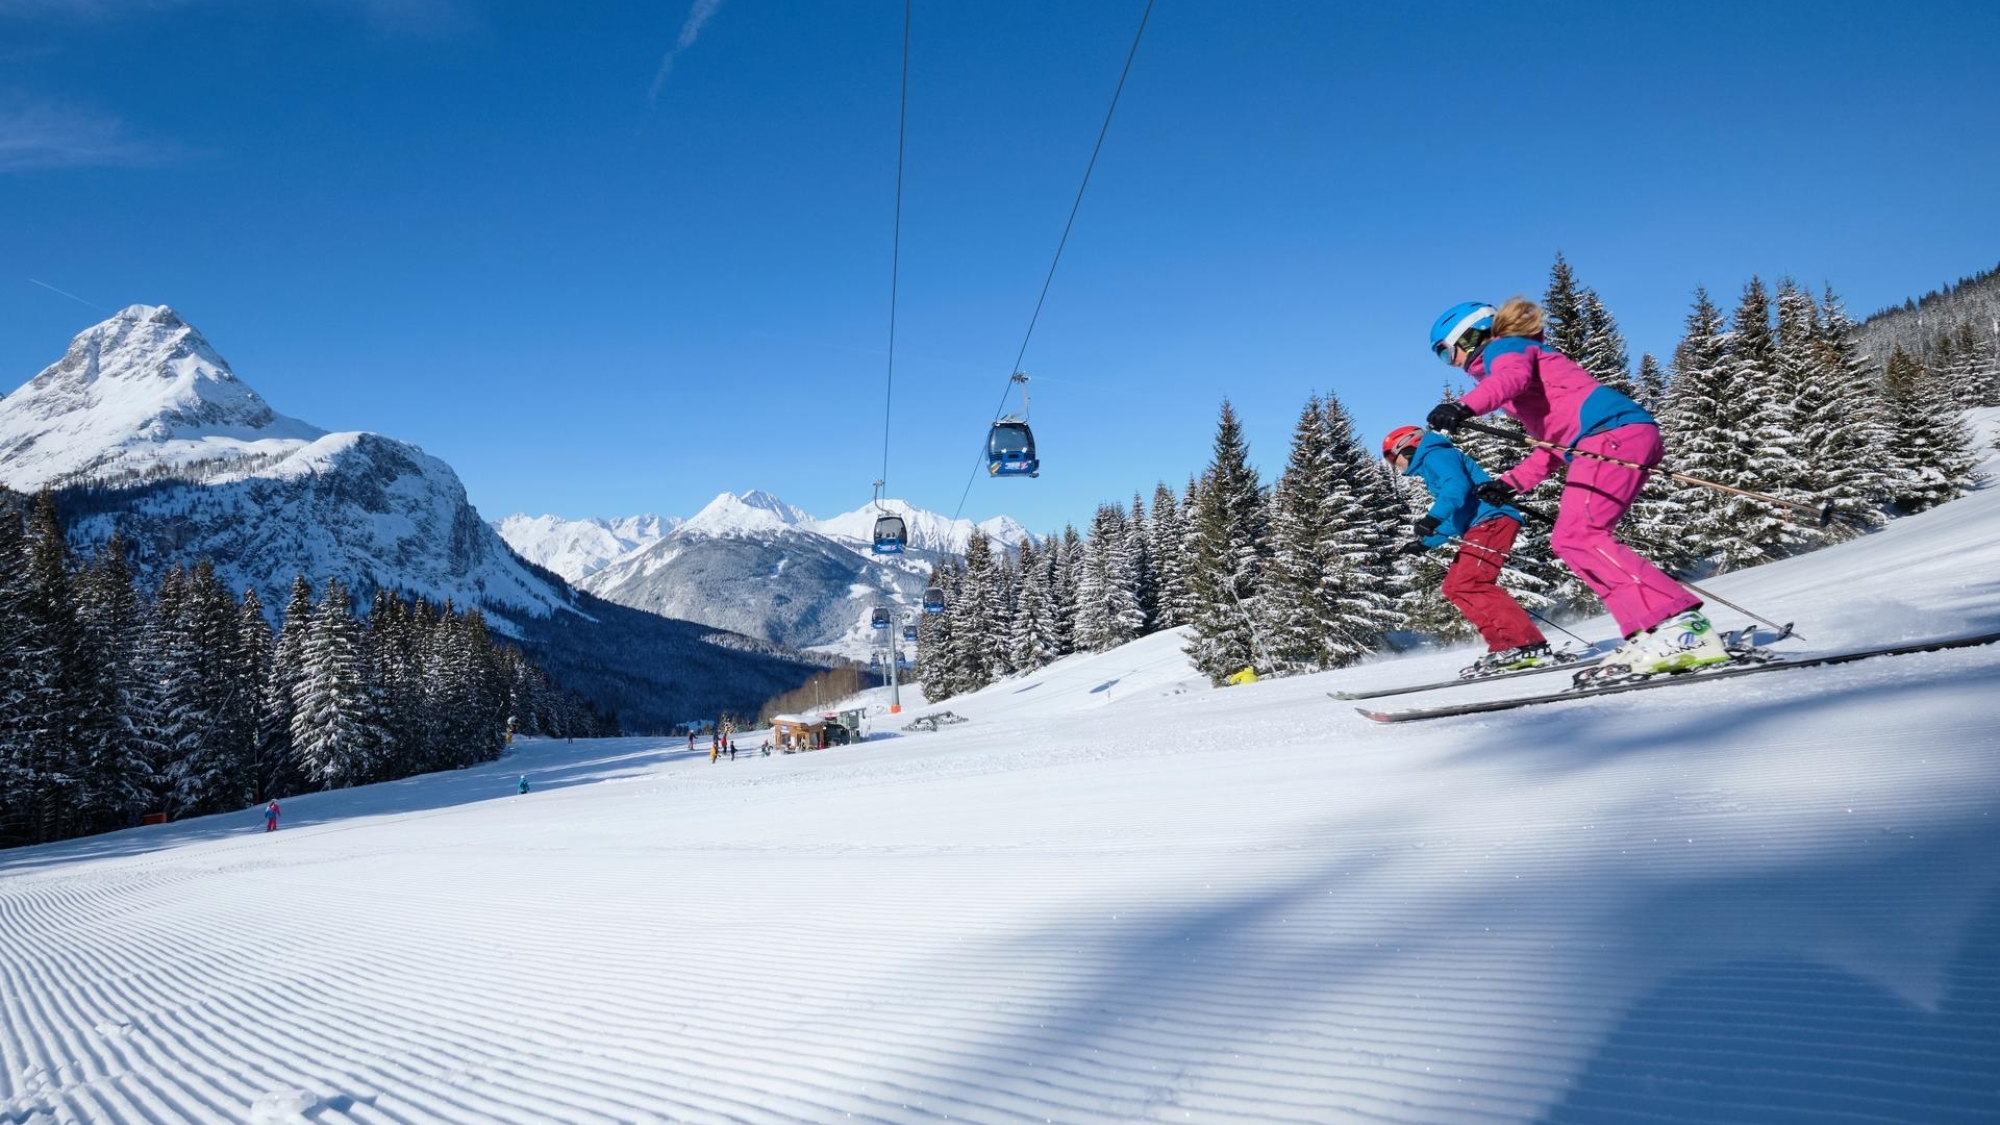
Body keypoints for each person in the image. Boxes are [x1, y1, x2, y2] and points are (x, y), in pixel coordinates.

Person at [1424, 298, 1728, 674]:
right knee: (1571, 540)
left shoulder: (1506, 350)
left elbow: (1510, 380)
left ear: (1471, 336)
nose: (1450, 362)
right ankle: (1648, 631)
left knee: (1582, 536)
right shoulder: (1512, 369)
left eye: (1445, 352)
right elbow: (1550, 446)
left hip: (1610, 433)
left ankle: (1682, 627)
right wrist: (1509, 484)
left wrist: (1464, 407)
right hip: (1601, 440)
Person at [1383, 424, 1549, 674]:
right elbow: (1456, 514)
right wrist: (1424, 543)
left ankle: (1528, 644)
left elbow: (1456, 489)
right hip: (1478, 524)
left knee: (1472, 582)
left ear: (1408, 446)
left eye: (1392, 458)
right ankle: (1504, 645)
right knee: (1454, 587)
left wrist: (1432, 518)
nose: (1394, 465)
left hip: (1492, 519)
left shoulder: (1437, 454)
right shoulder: (1431, 466)